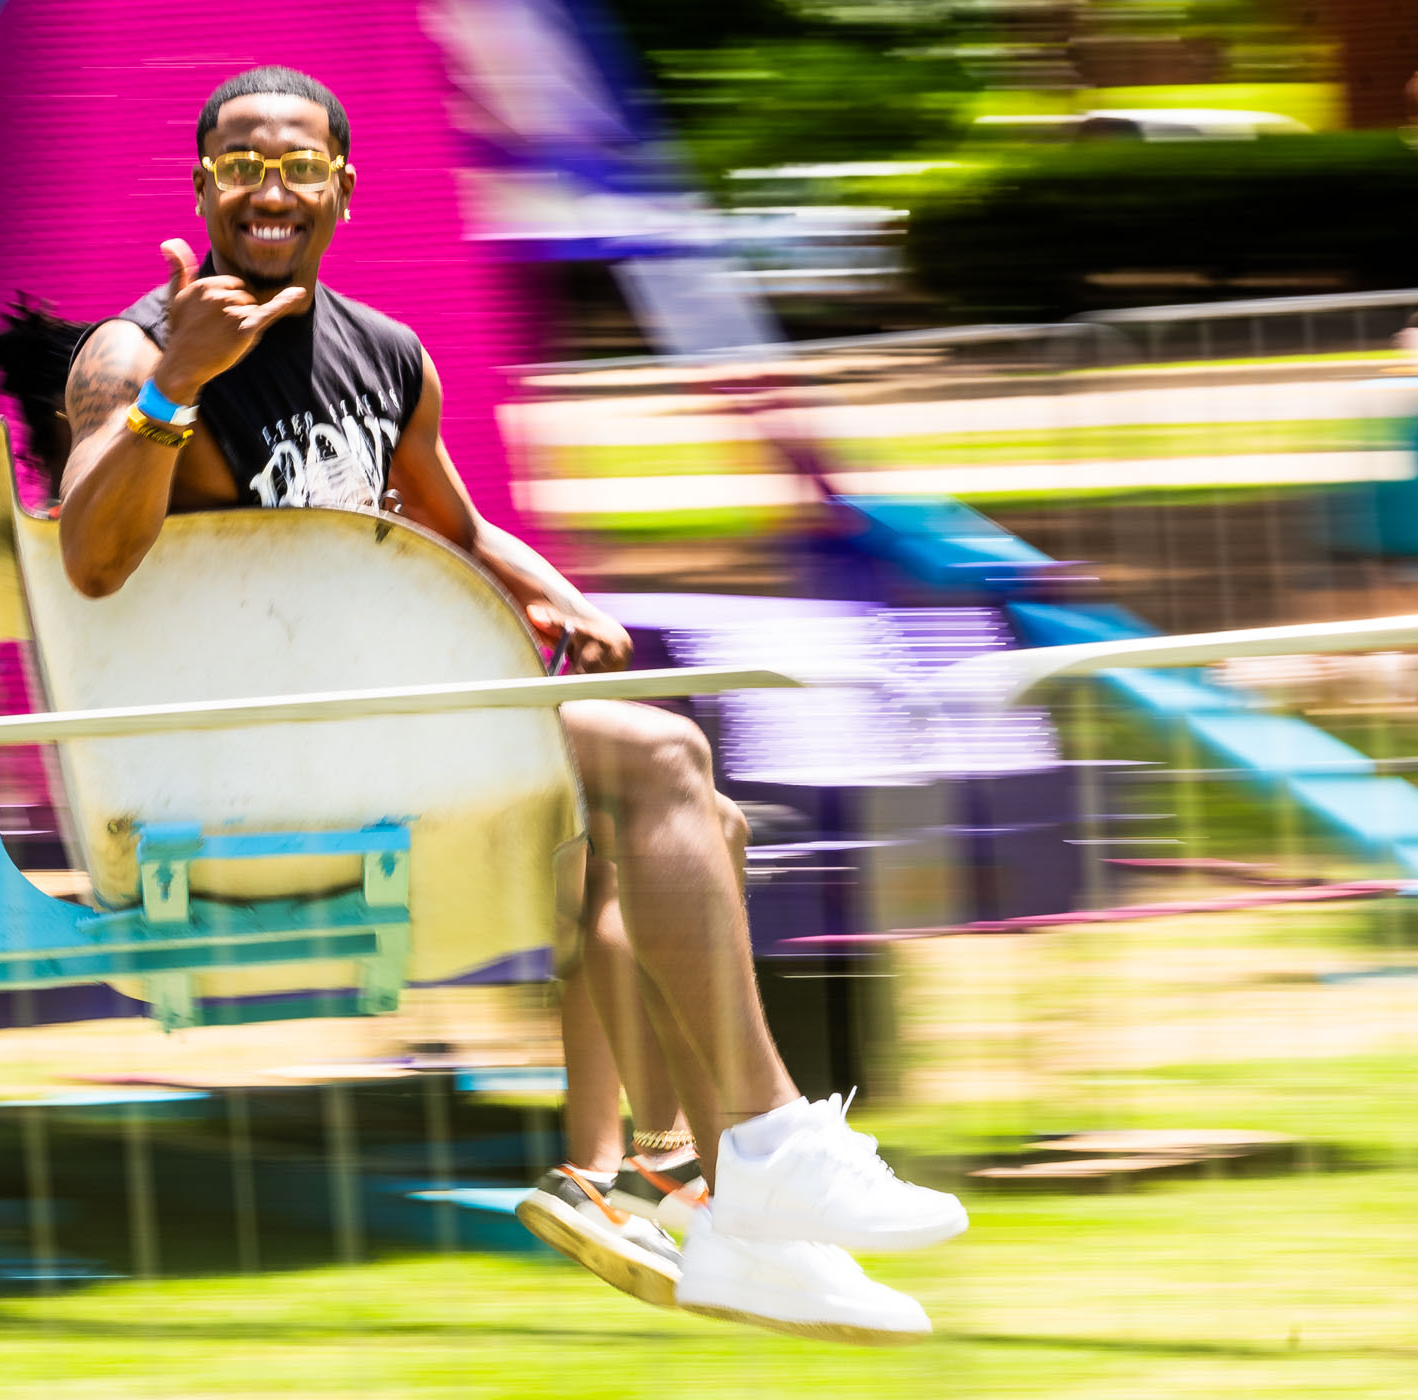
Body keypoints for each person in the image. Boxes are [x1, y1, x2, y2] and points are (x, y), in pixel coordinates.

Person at [54, 65, 965, 1343]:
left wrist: (556, 594)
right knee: (658, 754)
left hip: (382, 733)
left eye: (297, 167)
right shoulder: (137, 350)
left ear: (343, 190)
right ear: (201, 186)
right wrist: (174, 391)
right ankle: (764, 1141)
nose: (269, 191)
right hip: (247, 763)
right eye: (240, 167)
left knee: (696, 816)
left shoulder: (385, 355)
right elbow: (90, 561)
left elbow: (458, 524)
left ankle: (700, 1200)